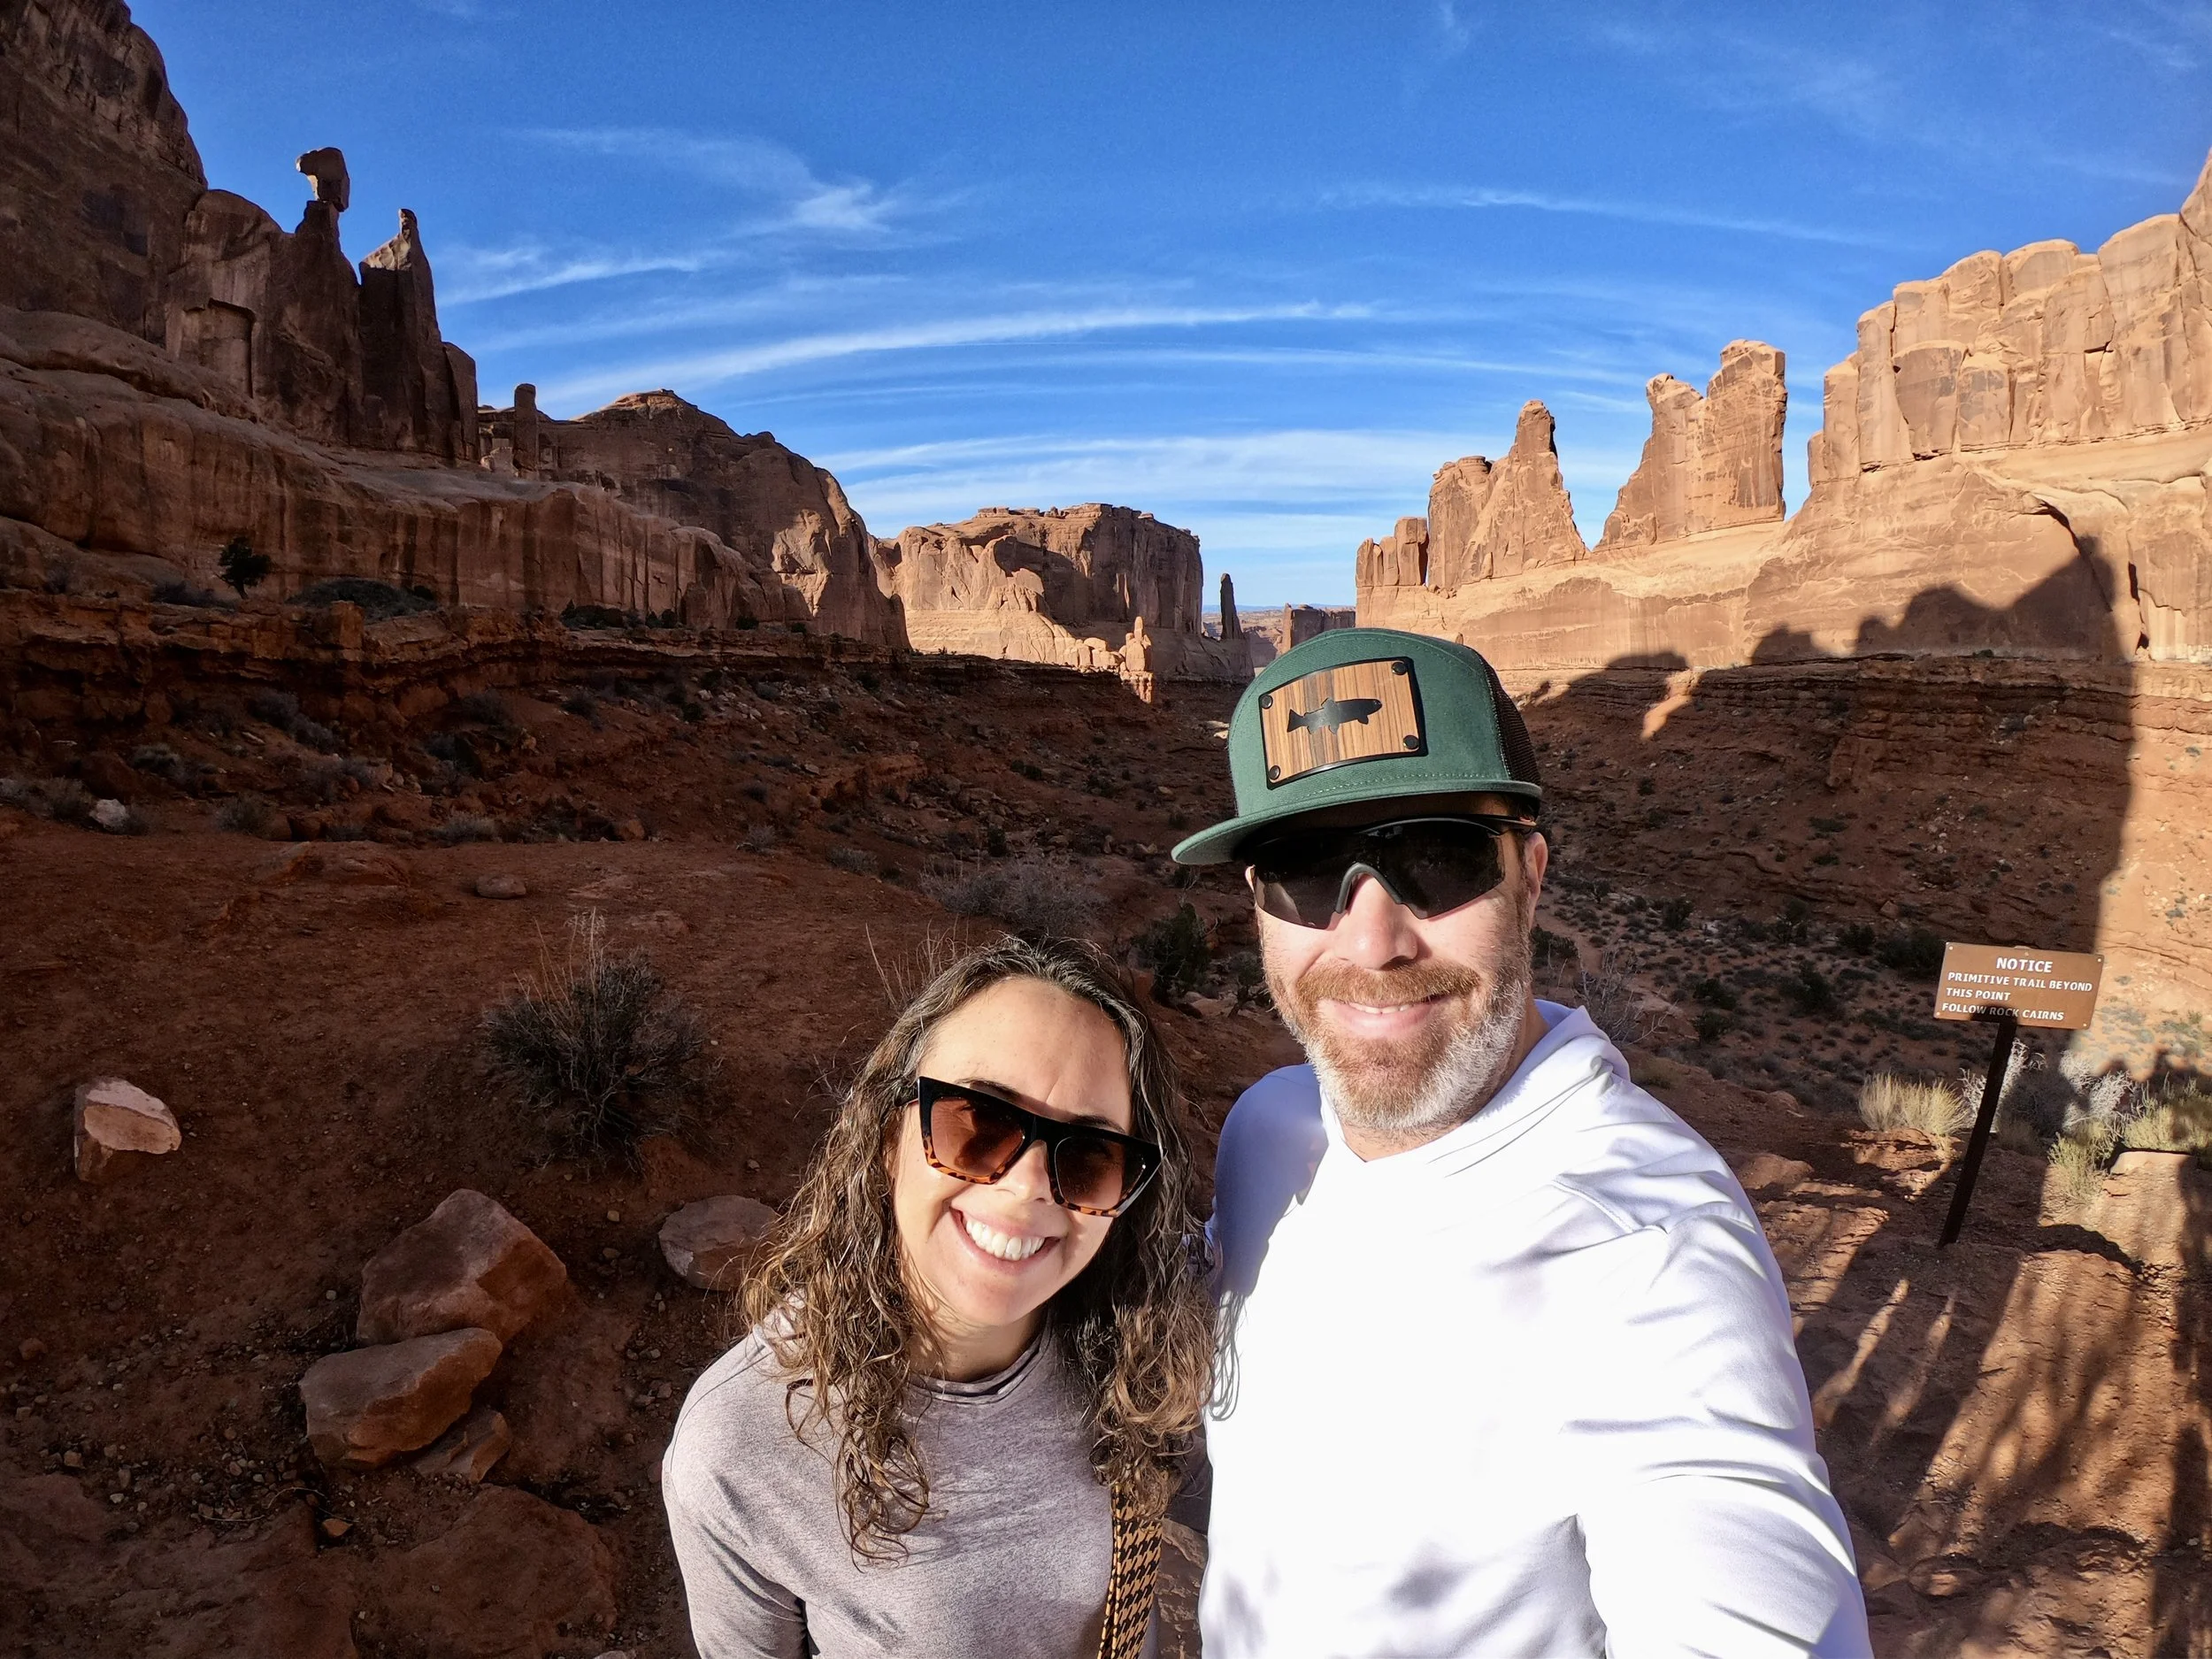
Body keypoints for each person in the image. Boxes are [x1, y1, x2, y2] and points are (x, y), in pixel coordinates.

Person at [1173, 627, 1870, 1657]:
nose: (1370, 941)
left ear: (1530, 875)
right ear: (1255, 906)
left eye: (1436, 858)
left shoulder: (1647, 1251)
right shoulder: (1268, 1127)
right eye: (1306, 872)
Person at [663, 936, 1213, 1659]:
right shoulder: (739, 1442)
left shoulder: (1153, 1345)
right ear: (888, 1134)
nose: (1027, 1187)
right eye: (978, 1124)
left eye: (1088, 1155)